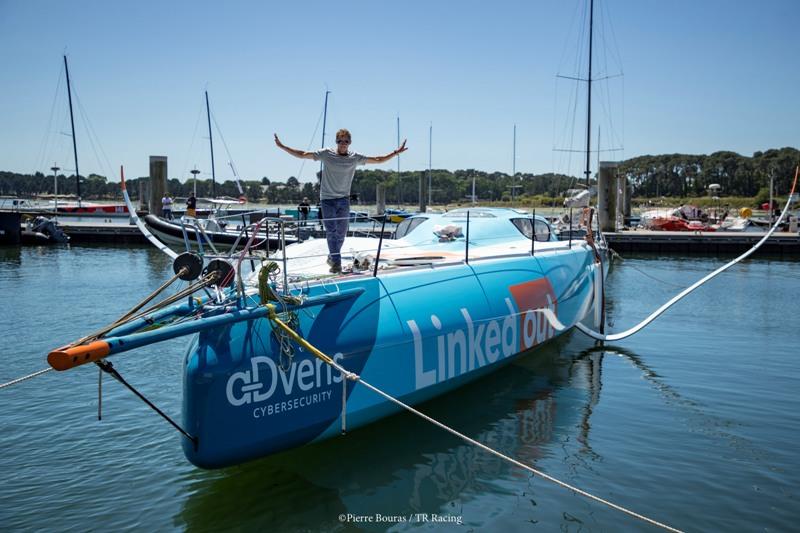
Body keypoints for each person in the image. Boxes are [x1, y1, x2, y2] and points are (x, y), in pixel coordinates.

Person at [275, 129, 407, 273]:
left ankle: (332, 257)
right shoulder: (326, 154)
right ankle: (336, 263)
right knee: (332, 231)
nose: (343, 144)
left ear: (350, 142)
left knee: (342, 233)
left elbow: (377, 160)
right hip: (327, 200)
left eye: (346, 141)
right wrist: (283, 147)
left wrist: (396, 152)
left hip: (344, 200)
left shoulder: (354, 157)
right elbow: (303, 155)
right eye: (340, 141)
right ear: (336, 142)